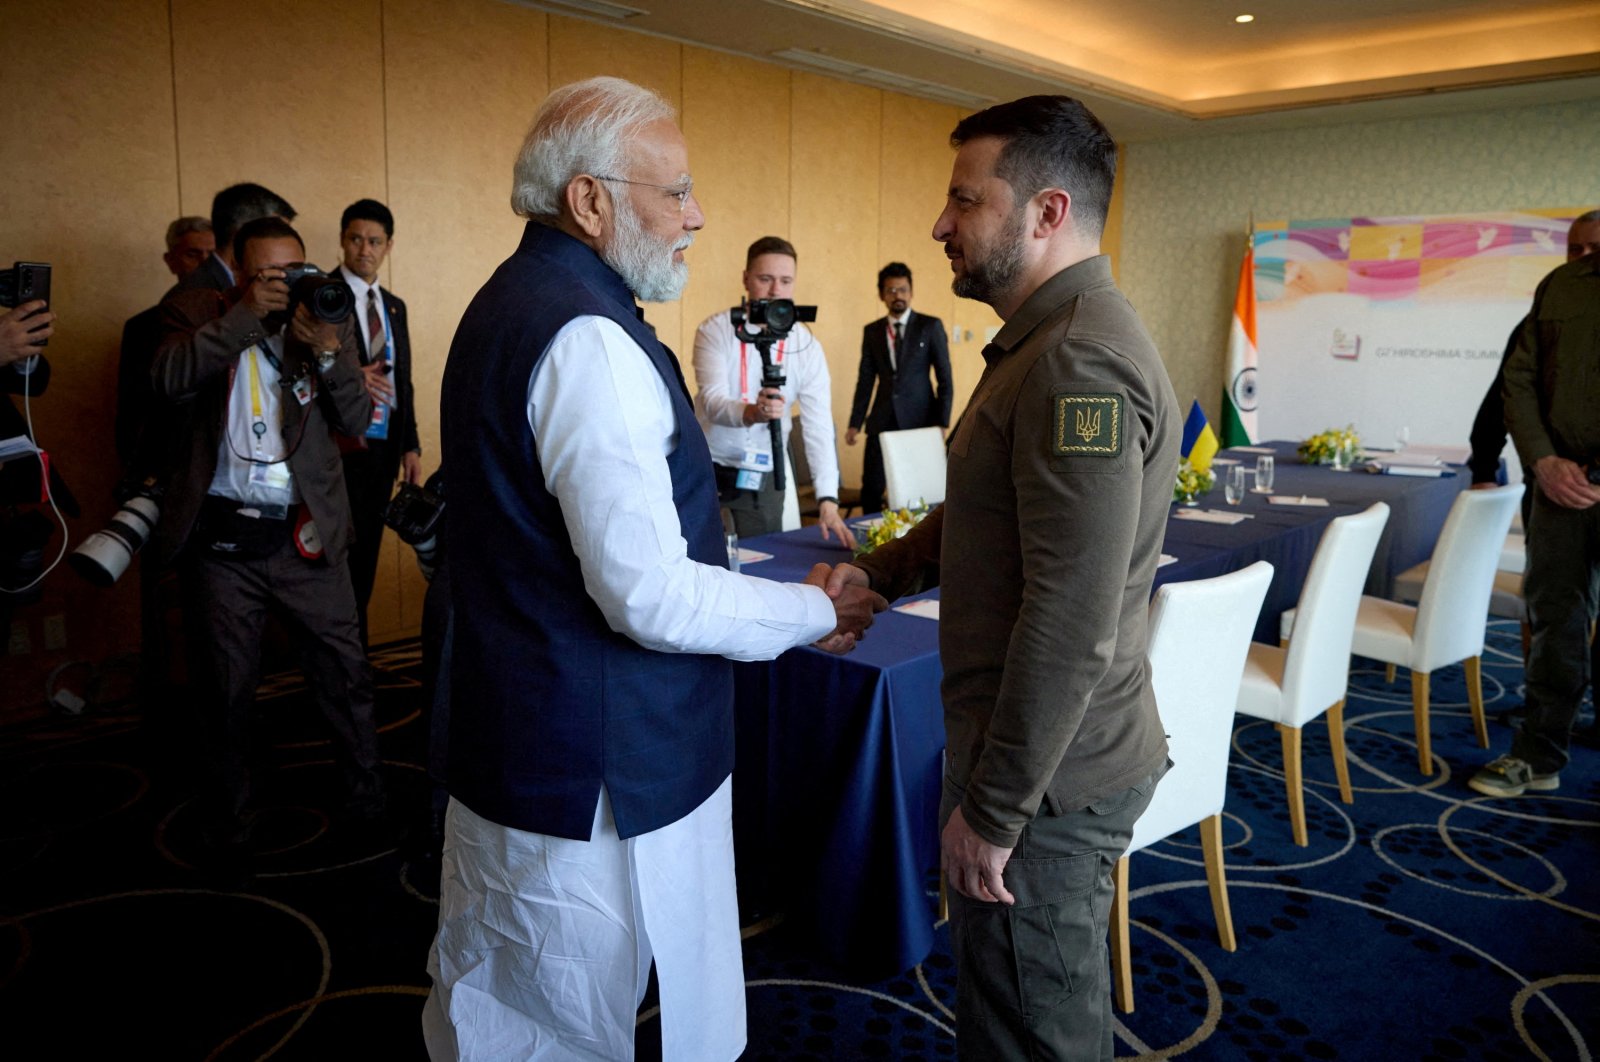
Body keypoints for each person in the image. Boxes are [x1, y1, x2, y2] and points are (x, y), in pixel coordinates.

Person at [423, 77, 884, 1062]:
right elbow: (650, 594)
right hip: (593, 770)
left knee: (504, 1005)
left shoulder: (518, 303)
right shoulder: (586, 335)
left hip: (529, 732)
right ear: (588, 201)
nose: (697, 215)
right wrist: (807, 611)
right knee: (550, 1028)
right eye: (675, 191)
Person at [820, 95, 1177, 1061]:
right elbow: (988, 514)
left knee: (1034, 1033)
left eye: (964, 201)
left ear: (1046, 213)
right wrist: (878, 574)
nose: (940, 225)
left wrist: (995, 810)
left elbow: (1072, 618)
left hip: (1046, 790)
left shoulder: (1076, 365)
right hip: (1039, 766)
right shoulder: (1040, 341)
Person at [152, 215, 383, 867]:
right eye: (269, 276)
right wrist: (247, 316)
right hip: (223, 541)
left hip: (306, 533)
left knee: (346, 675)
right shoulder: (198, 309)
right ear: (240, 270)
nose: (287, 286)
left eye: (296, 272)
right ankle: (234, 819)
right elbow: (167, 377)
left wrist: (331, 351)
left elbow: (359, 417)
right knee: (224, 689)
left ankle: (366, 802)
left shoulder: (325, 313)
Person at [1470, 220, 1600, 797]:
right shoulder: (1561, 286)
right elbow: (1516, 379)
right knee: (1554, 623)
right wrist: (1543, 461)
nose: (1585, 254)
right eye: (1579, 245)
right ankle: (1537, 754)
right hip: (1558, 486)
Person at [692, 236, 852, 544]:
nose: (776, 290)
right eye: (765, 279)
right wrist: (752, 412)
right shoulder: (715, 330)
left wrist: (828, 498)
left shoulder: (805, 345)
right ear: (746, 279)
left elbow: (818, 426)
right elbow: (711, 401)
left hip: (766, 469)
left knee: (762, 557)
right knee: (703, 557)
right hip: (710, 464)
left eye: (785, 281)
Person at [332, 198, 422, 648]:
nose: (363, 249)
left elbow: (401, 379)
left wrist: (412, 446)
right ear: (342, 241)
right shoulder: (322, 294)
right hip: (334, 449)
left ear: (388, 246)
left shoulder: (393, 306)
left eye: (374, 241)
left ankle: (357, 651)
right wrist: (349, 377)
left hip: (383, 449)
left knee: (366, 553)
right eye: (355, 239)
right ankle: (342, 650)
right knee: (335, 559)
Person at [846, 261, 952, 512]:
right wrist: (855, 422)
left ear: (911, 292)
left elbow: (945, 378)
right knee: (871, 488)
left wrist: (942, 421)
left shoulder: (930, 326)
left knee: (919, 489)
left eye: (903, 289)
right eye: (891, 290)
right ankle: (871, 545)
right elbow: (865, 379)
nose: (898, 296)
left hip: (920, 421)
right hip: (881, 419)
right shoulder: (872, 331)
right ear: (882, 295)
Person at [118, 216, 215, 473]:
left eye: (212, 255)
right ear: (171, 261)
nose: (205, 264)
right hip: (166, 463)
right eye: (193, 255)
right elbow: (132, 411)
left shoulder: (237, 320)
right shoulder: (142, 327)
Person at [167, 182, 296, 298]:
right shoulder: (190, 297)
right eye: (276, 232)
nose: (288, 241)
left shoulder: (246, 284)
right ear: (244, 231)